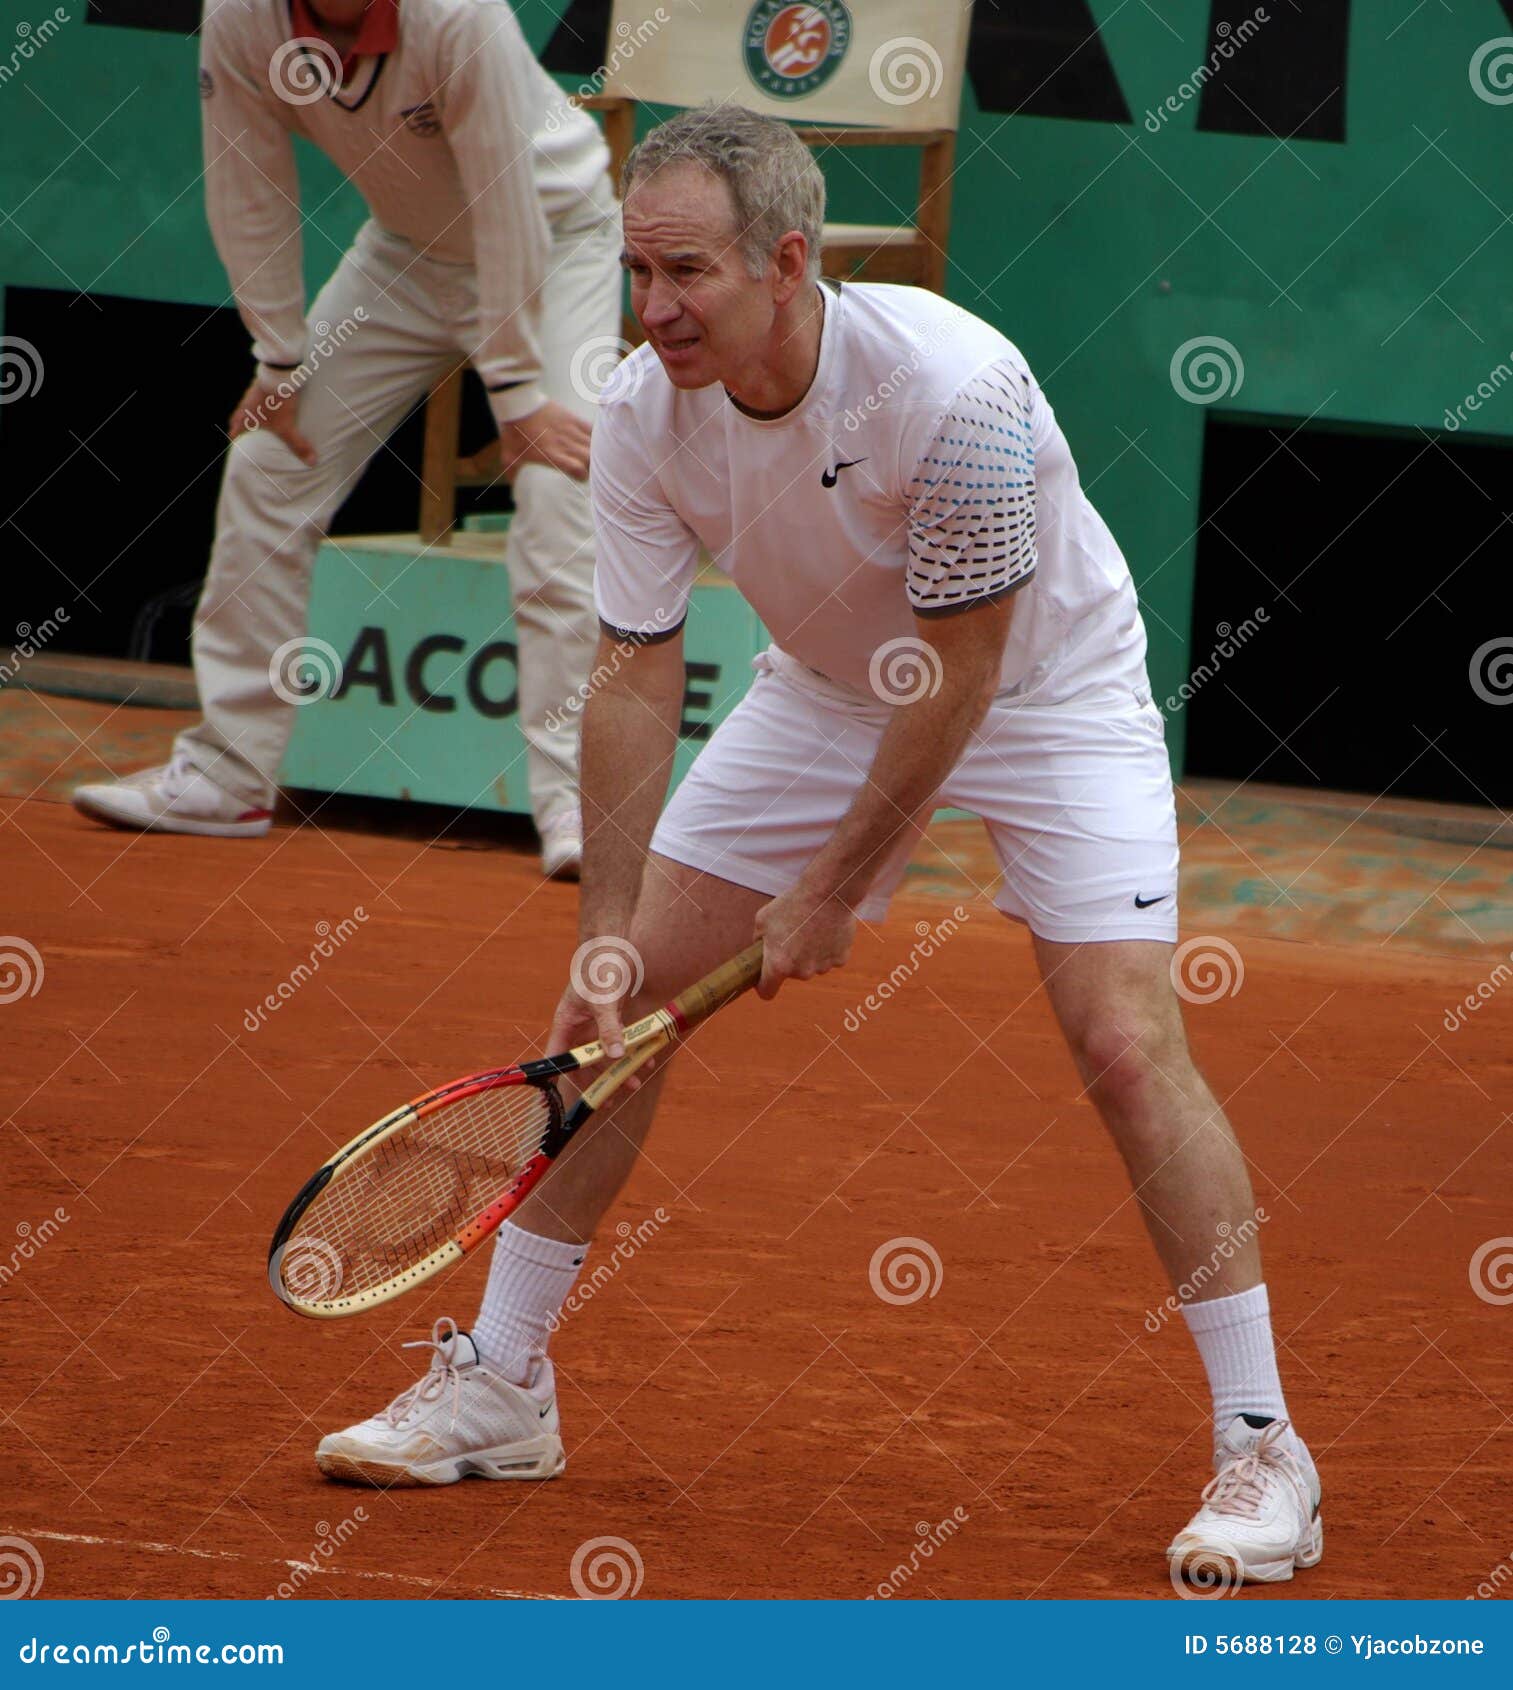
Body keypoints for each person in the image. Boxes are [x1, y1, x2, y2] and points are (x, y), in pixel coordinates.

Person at [315, 104, 1321, 1591]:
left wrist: (833, 892)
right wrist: (605, 930)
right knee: (620, 1012)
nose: (654, 308)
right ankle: (503, 1380)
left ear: (788, 262)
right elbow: (636, 671)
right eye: (640, 272)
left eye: (689, 274)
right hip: (821, 691)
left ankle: (1264, 1444)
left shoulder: (954, 389)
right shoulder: (647, 412)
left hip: (1047, 695)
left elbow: (962, 676)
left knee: (1120, 1041)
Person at [71, 0, 619, 879]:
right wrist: (279, 353)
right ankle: (229, 774)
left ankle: (576, 807)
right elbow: (246, 176)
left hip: (556, 240)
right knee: (266, 461)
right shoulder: (241, 18)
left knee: (559, 499)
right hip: (404, 254)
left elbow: (503, 198)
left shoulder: (457, 19)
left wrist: (518, 393)